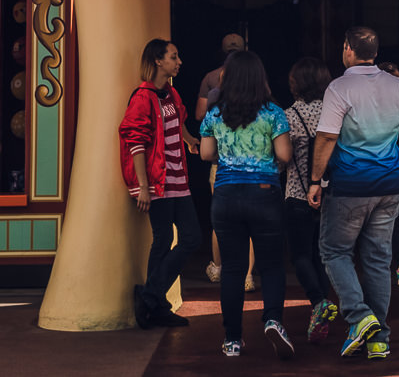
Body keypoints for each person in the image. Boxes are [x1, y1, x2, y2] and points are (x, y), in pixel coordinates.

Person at [309, 26, 399, 361]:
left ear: (348, 49)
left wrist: (315, 179)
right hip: (390, 184)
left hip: (350, 185)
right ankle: (379, 340)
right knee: (378, 259)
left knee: (334, 251)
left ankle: (359, 316)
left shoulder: (339, 87)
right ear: (375, 52)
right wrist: (387, 139)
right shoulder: (398, 85)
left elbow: (327, 137)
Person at [198, 50, 294, 358]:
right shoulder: (273, 113)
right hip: (264, 194)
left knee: (233, 269)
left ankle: (232, 340)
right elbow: (284, 155)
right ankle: (273, 320)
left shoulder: (215, 113)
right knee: (271, 265)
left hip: (226, 195)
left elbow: (206, 154)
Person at [119, 38, 199, 328]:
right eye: (173, 57)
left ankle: (150, 297)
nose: (179, 62)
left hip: (179, 179)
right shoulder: (143, 97)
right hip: (158, 182)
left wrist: (190, 141)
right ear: (158, 60)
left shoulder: (171, 93)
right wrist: (143, 186)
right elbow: (135, 142)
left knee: (190, 238)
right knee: (163, 240)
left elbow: (180, 123)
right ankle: (157, 305)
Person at [281, 56, 335, 344]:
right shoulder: (333, 113)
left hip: (297, 195)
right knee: (323, 255)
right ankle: (322, 306)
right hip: (330, 195)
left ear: (296, 83)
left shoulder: (288, 116)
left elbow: (282, 160)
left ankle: (318, 302)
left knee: (300, 255)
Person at [196, 33, 251, 288]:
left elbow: (200, 115)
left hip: (221, 164)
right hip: (253, 167)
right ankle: (247, 276)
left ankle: (218, 268)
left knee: (221, 220)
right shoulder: (256, 86)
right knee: (249, 222)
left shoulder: (212, 82)